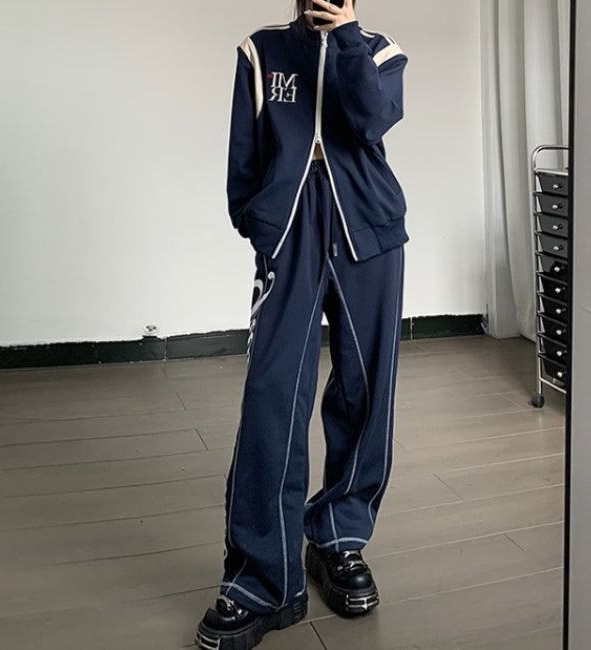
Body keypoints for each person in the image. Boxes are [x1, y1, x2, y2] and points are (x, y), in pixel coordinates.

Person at [196, 1, 409, 647]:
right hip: (289, 230)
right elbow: (244, 153)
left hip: (369, 229)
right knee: (273, 394)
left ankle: (340, 537)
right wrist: (260, 223)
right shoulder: (260, 51)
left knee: (365, 391)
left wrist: (346, 37)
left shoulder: (379, 49)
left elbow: (371, 120)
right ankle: (263, 579)